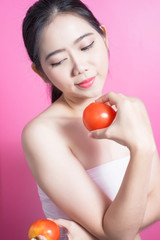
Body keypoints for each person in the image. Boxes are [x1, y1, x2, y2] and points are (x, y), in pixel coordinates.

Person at [22, 0, 160, 239]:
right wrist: (141, 149)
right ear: (41, 72)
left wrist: (105, 231)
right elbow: (118, 233)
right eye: (58, 61)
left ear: (104, 36)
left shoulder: (131, 108)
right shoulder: (42, 134)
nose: (80, 68)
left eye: (86, 46)